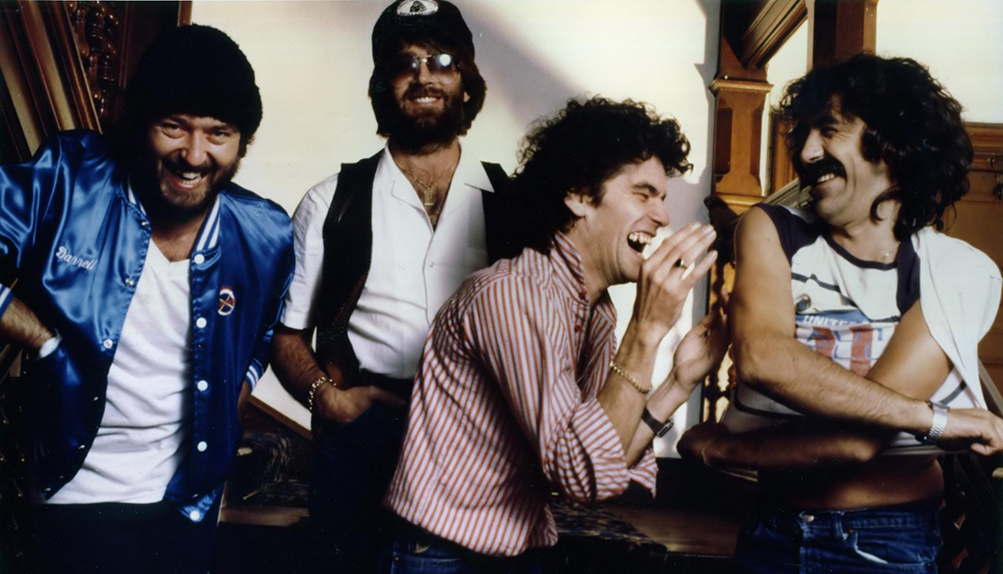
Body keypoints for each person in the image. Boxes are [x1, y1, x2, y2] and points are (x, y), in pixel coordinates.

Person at [678, 54, 1003, 573]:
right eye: (802, 134)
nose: (807, 152)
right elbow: (764, 359)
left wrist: (720, 451)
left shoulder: (957, 271)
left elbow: (858, 442)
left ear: (894, 144)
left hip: (886, 543)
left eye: (828, 131)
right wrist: (931, 420)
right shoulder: (772, 229)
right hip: (770, 529)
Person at [379, 97, 729, 571]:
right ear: (579, 195)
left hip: (519, 550)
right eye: (643, 194)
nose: (663, 216)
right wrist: (646, 331)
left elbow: (600, 461)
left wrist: (679, 383)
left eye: (662, 199)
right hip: (442, 556)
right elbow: (581, 473)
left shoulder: (595, 311)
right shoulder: (511, 294)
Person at [0, 25, 293, 574]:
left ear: (242, 141)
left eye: (219, 133)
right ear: (141, 122)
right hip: (74, 493)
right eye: (174, 126)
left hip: (188, 502)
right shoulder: (70, 176)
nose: (194, 154)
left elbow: (265, 331)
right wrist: (40, 339)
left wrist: (236, 394)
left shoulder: (266, 232)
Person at [270, 1, 516, 571]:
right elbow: (286, 336)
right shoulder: (330, 201)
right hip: (363, 449)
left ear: (466, 81)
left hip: (482, 452)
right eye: (405, 63)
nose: (424, 75)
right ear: (383, 85)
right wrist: (327, 398)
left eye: (442, 60)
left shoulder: (513, 202)